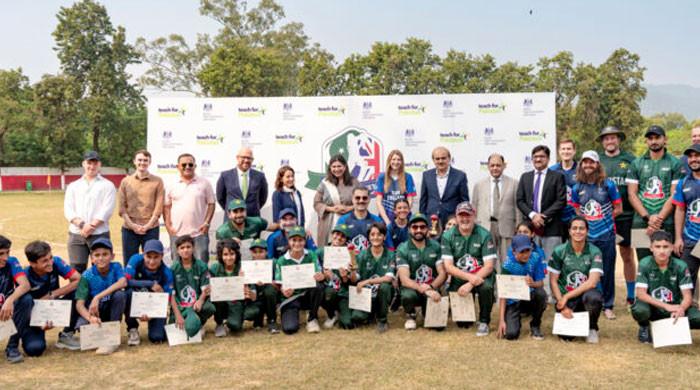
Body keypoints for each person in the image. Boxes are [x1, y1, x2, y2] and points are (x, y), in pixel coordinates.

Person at [571, 151, 622, 320]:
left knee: (607, 271)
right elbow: (577, 209)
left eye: (591, 162)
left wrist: (603, 220)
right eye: (585, 162)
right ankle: (590, 302)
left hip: (606, 235)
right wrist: (586, 224)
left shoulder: (608, 185)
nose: (588, 165)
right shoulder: (577, 187)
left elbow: (618, 208)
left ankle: (608, 306)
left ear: (597, 164)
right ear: (581, 165)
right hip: (587, 238)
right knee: (587, 272)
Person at [516, 145, 567, 298]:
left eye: (542, 157)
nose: (538, 159)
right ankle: (530, 292)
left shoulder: (557, 176)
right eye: (535, 157)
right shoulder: (525, 177)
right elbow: (520, 200)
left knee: (551, 262)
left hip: (551, 227)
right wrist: (533, 216)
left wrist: (543, 216)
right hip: (530, 228)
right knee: (528, 260)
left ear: (548, 159)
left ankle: (551, 294)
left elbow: (561, 200)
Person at [633, 230, 700, 344]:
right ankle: (644, 327)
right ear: (651, 248)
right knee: (640, 310)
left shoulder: (681, 265)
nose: (662, 251)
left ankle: (679, 327)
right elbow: (641, 293)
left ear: (672, 247)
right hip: (653, 308)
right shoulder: (644, 263)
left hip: (675, 306)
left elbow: (687, 296)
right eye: (657, 247)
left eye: (665, 247)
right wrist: (666, 306)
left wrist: (681, 309)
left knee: (697, 318)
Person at [627, 125, 683, 261]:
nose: (654, 141)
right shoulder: (636, 163)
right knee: (644, 262)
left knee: (670, 262)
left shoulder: (675, 163)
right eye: (650, 138)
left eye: (657, 137)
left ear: (665, 140)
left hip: (667, 221)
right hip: (640, 222)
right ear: (646, 141)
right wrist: (647, 218)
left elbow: (674, 194)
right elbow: (632, 194)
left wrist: (658, 220)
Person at [441, 202, 497, 336]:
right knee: (463, 323)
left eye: (468, 215)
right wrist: (469, 279)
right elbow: (448, 266)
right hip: (460, 276)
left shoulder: (484, 234)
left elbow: (489, 266)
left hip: (481, 274)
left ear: (474, 215)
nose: (464, 219)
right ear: (456, 216)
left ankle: (484, 320)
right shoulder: (448, 236)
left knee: (486, 287)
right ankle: (467, 313)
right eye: (461, 215)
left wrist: (471, 283)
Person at [598, 126, 637, 306]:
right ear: (602, 142)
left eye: (613, 138)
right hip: (602, 219)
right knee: (601, 257)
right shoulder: (597, 160)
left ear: (618, 140)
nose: (610, 141)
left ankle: (630, 296)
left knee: (626, 255)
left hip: (626, 216)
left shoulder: (630, 160)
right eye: (606, 139)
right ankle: (599, 294)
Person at [548, 217, 604, 343]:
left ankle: (592, 328)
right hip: (565, 300)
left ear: (587, 231)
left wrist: (566, 296)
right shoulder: (559, 251)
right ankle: (571, 320)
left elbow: (592, 282)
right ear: (569, 231)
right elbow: (553, 281)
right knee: (566, 338)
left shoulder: (595, 251)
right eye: (574, 228)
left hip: (584, 297)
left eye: (582, 228)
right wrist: (562, 304)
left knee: (594, 298)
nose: (578, 231)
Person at [24, 241, 81, 353]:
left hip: (54, 305)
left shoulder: (56, 262)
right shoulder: (25, 275)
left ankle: (66, 334)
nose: (50, 262)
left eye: (51, 258)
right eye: (45, 261)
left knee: (80, 291)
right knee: (35, 349)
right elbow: (22, 307)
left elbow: (79, 280)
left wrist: (52, 294)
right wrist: (39, 324)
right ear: (32, 263)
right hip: (34, 316)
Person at [64, 150, 116, 273]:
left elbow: (107, 209)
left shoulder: (108, 185)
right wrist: (82, 225)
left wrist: (91, 226)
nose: (92, 166)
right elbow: (68, 209)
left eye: (95, 163)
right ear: (83, 164)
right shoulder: (73, 186)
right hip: (77, 234)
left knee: (100, 269)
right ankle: (78, 293)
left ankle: (99, 293)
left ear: (99, 165)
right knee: (77, 270)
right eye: (89, 163)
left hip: (99, 233)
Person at [74, 238, 127, 355]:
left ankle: (112, 338)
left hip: (110, 309)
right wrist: (90, 318)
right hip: (95, 312)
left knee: (120, 295)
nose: (101, 258)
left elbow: (123, 282)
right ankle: (97, 332)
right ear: (92, 259)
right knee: (81, 326)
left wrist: (97, 297)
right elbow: (79, 304)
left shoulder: (116, 267)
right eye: (97, 255)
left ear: (112, 256)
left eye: (105, 254)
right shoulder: (87, 275)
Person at [396, 214, 446, 330]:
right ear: (409, 229)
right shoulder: (402, 248)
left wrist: (431, 287)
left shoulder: (436, 246)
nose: (418, 230)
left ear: (427, 229)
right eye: (414, 227)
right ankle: (410, 315)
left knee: (437, 327)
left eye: (422, 227)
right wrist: (423, 289)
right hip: (412, 288)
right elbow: (404, 279)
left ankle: (426, 312)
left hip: (431, 287)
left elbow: (442, 273)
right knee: (408, 296)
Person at [164, 153, 216, 263]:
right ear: (178, 166)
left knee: (201, 266)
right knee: (177, 268)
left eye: (190, 164)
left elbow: (211, 203)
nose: (187, 167)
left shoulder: (204, 183)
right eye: (184, 165)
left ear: (195, 166)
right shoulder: (171, 184)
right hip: (177, 233)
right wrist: (168, 225)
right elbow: (167, 207)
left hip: (199, 233)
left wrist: (206, 223)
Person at [274, 226, 326, 334]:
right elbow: (279, 284)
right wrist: (284, 290)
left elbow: (318, 273)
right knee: (289, 329)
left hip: (307, 295)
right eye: (294, 240)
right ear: (289, 241)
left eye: (300, 240)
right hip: (291, 297)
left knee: (318, 286)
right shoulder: (281, 260)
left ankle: (312, 317)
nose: (297, 244)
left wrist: (321, 276)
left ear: (305, 241)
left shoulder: (311, 255)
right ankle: (294, 314)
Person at [472, 153, 521, 266]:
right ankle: (490, 283)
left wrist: (518, 227)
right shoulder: (479, 185)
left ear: (504, 166)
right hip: (485, 227)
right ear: (488, 166)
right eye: (492, 165)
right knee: (487, 260)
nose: (495, 168)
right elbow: (474, 207)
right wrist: (475, 228)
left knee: (507, 260)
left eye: (498, 165)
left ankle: (506, 282)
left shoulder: (514, 183)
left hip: (507, 227)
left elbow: (518, 208)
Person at [118, 149, 164, 264]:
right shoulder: (125, 181)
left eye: (145, 160)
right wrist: (132, 226)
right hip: (129, 229)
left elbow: (158, 207)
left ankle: (150, 282)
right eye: (139, 160)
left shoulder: (157, 181)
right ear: (134, 161)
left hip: (151, 229)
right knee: (129, 262)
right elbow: (122, 208)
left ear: (149, 162)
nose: (142, 162)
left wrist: (148, 226)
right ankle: (130, 282)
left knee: (151, 262)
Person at [124, 239, 174, 345]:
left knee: (157, 337)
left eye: (156, 257)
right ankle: (132, 328)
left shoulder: (166, 272)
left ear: (162, 255)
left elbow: (167, 299)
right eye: (148, 257)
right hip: (136, 300)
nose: (152, 261)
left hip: (154, 305)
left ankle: (155, 328)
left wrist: (153, 312)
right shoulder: (135, 260)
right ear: (143, 254)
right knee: (127, 293)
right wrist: (150, 283)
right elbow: (126, 282)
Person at [497, 235, 546, 340]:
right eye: (521, 252)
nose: (525, 255)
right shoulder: (507, 266)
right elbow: (503, 293)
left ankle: (535, 325)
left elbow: (541, 283)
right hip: (513, 301)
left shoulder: (535, 258)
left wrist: (532, 283)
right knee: (511, 335)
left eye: (527, 250)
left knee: (541, 294)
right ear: (514, 252)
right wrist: (501, 320)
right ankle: (514, 320)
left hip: (529, 297)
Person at [352, 222, 395, 333]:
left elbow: (389, 278)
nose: (376, 237)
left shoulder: (391, 255)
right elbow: (355, 279)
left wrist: (368, 281)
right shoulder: (361, 255)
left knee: (385, 286)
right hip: (366, 296)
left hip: (383, 295)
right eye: (372, 234)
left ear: (384, 237)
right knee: (357, 318)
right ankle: (371, 314)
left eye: (379, 234)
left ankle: (382, 320)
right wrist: (350, 273)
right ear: (369, 237)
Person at [210, 239, 259, 337]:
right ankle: (219, 323)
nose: (229, 258)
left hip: (237, 303)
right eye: (225, 254)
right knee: (216, 298)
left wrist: (245, 286)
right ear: (220, 255)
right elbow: (211, 290)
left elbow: (253, 296)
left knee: (235, 326)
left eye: (232, 254)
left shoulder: (243, 267)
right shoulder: (215, 268)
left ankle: (236, 319)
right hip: (222, 303)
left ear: (237, 254)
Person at [170, 235, 215, 338]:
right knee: (174, 328)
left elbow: (205, 289)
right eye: (182, 248)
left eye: (188, 247)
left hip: (196, 305)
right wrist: (177, 314)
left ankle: (199, 324)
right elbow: (171, 293)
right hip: (181, 306)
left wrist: (200, 301)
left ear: (193, 248)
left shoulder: (201, 266)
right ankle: (191, 322)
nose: (185, 250)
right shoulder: (173, 268)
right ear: (177, 250)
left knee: (209, 307)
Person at [0, 235, 34, 363]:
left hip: (7, 308)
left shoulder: (12, 262)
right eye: (1, 254)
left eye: (7, 252)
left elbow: (25, 285)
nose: (6, 257)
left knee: (26, 299)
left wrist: (10, 300)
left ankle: (12, 346)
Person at [313, 154, 359, 246]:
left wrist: (349, 208)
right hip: (328, 223)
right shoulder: (325, 183)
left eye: (339, 166)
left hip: (349, 221)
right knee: (328, 251)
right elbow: (316, 203)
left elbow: (362, 201)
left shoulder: (354, 182)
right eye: (334, 166)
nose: (336, 169)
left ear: (345, 167)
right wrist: (332, 209)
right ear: (330, 168)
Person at [316, 224, 355, 329]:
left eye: (343, 236)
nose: (339, 238)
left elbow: (351, 281)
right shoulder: (320, 252)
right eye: (337, 234)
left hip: (343, 292)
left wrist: (344, 277)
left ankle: (340, 312)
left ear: (346, 240)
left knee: (347, 324)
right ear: (332, 234)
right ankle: (331, 315)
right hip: (327, 290)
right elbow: (314, 272)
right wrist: (324, 275)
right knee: (329, 293)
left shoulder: (349, 254)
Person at [673, 144, 700, 291]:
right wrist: (678, 238)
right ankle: (691, 310)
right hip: (690, 240)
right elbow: (680, 210)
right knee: (686, 281)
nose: (693, 159)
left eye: (697, 156)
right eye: (690, 156)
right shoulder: (683, 182)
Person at [419, 146, 469, 225]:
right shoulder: (426, 175)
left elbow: (464, 201)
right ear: (433, 160)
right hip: (430, 220)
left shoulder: (460, 176)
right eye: (437, 159)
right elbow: (423, 200)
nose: (440, 161)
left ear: (449, 159)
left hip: (452, 221)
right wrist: (422, 219)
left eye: (443, 158)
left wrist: (460, 219)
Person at [216, 146, 268, 219]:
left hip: (253, 221)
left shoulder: (260, 176)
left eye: (249, 158)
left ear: (252, 160)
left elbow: (262, 198)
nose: (246, 160)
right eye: (243, 157)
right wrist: (232, 210)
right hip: (232, 221)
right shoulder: (225, 176)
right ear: (237, 158)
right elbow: (220, 198)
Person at [374, 150, 417, 224]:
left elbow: (410, 200)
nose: (396, 162)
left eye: (399, 160)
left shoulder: (408, 177)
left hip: (403, 216)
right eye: (393, 159)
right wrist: (387, 221)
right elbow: (378, 202)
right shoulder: (381, 177)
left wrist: (403, 215)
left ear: (402, 162)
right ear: (389, 161)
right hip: (386, 216)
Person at [249, 238, 281, 334]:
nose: (258, 254)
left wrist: (269, 282)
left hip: (272, 293)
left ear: (266, 251)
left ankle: (272, 320)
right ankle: (258, 317)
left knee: (269, 291)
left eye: (261, 251)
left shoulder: (274, 262)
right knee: (254, 291)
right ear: (251, 252)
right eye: (255, 252)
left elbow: (279, 282)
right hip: (256, 295)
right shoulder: (248, 265)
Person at [337, 187, 384, 251]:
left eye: (364, 198)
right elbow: (337, 244)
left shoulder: (377, 221)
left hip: (370, 259)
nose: (361, 200)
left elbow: (383, 245)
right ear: (352, 199)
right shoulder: (343, 220)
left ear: (369, 199)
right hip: (349, 258)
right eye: (357, 198)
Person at [550, 139, 579, 238]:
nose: (566, 151)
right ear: (559, 151)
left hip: (576, 217)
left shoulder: (581, 169)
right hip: (558, 218)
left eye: (569, 149)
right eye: (563, 149)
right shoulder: (552, 170)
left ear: (574, 151)